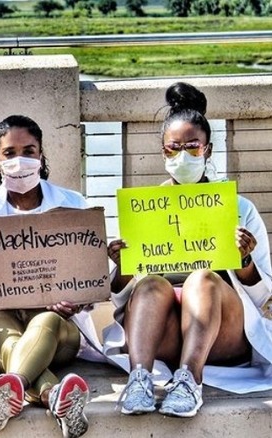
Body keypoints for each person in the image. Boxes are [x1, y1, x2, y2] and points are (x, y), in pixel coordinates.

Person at [105, 82, 272, 418]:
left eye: (192, 147)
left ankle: (190, 381)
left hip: (223, 334)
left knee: (202, 279)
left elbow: (264, 299)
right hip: (163, 333)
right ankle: (139, 379)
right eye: (173, 148)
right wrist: (122, 264)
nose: (183, 156)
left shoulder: (239, 209)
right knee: (151, 283)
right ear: (163, 152)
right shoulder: (145, 210)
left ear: (207, 149)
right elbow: (119, 301)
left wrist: (244, 261)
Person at [0, 115, 91, 437]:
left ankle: (13, 386)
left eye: (29, 151)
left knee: (44, 322)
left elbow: (89, 278)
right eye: (9, 153)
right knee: (10, 339)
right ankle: (55, 395)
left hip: (57, 328)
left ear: (42, 154)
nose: (20, 160)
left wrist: (76, 301)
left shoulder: (72, 205)